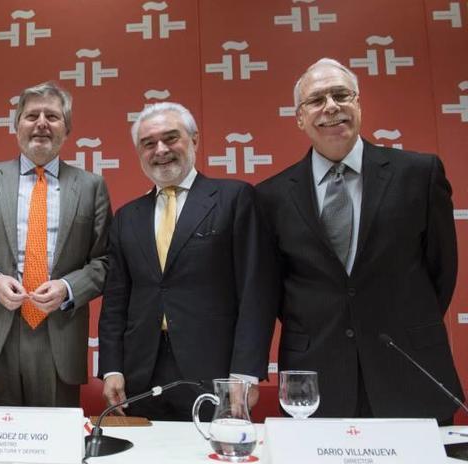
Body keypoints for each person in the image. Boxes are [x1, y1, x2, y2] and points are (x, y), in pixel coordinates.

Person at [256, 58, 463, 422]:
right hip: (317, 374)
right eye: (316, 100)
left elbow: (440, 269)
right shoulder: (271, 196)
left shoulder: (419, 174)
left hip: (409, 365)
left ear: (359, 105)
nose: (331, 107)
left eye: (341, 95)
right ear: (300, 118)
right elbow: (273, 290)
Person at [97, 103, 277, 420]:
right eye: (148, 143)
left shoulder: (234, 199)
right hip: (140, 375)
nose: (161, 150)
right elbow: (115, 300)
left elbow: (256, 291)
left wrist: (246, 372)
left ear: (194, 139)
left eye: (171, 138)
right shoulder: (127, 217)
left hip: (215, 372)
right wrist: (111, 367)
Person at [0, 82, 111, 407]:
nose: (42, 124)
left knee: (55, 449)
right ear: (16, 125)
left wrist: (67, 287)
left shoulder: (91, 187)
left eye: (53, 116)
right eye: (32, 115)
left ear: (68, 128)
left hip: (58, 333)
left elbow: (105, 261)